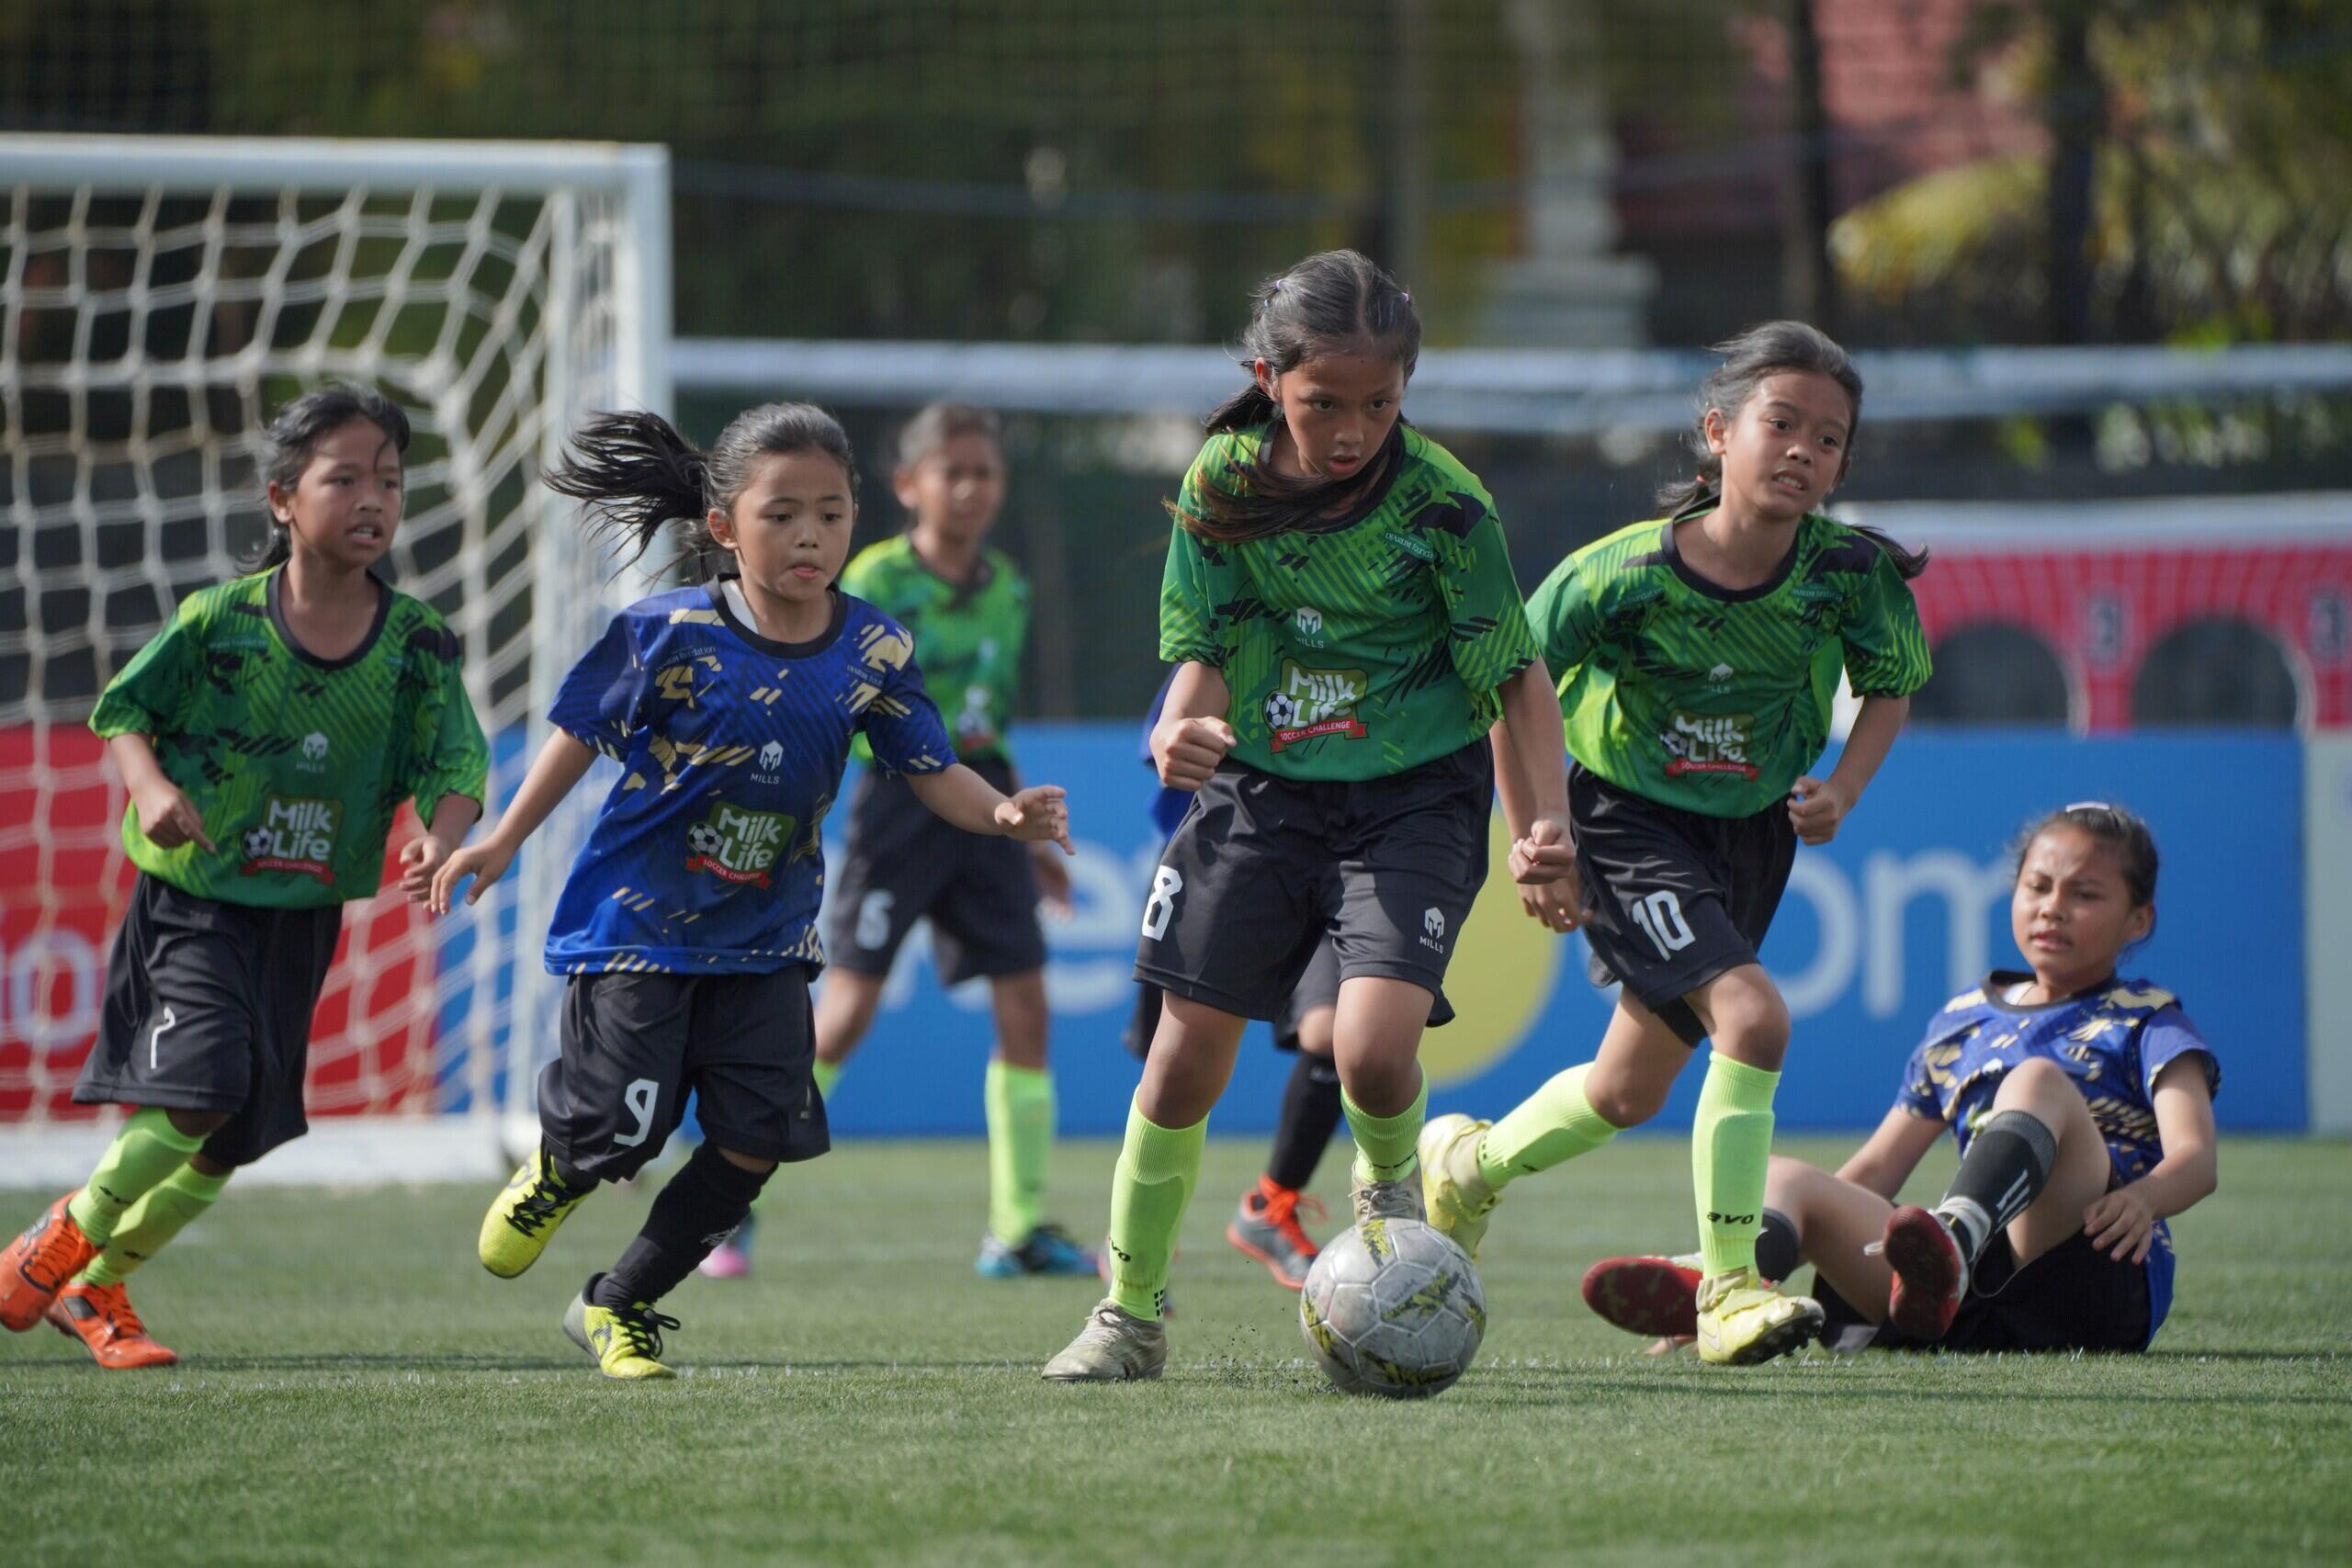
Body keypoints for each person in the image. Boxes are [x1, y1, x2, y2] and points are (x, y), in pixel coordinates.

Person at [433, 402, 1072, 1381]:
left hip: (767, 938)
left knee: (753, 1143)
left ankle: (617, 1304)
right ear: (724, 527)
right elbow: (578, 732)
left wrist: (1001, 814)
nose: (810, 535)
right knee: (624, 1133)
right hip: (638, 928)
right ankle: (564, 1165)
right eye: (782, 515)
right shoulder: (667, 630)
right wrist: (504, 837)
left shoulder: (873, 648)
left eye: (830, 513)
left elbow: (931, 765)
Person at [1043, 249, 1572, 1382]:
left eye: (1379, 403)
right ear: (1267, 378)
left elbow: (1516, 677)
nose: (1351, 430)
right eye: (1323, 402)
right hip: (1263, 792)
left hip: (1414, 795)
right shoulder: (1223, 483)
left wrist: (1548, 825)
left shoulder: (1444, 503)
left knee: (1371, 1055)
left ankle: (1392, 1213)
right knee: (1180, 1065)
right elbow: (1202, 653)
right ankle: (1127, 1316)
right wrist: (1177, 728)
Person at [1419, 321, 1933, 1366]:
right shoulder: (1618, 574)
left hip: (1751, 837)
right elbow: (1510, 685)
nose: (1802, 450)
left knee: (1627, 1089)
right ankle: (1730, 1290)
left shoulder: (1847, 574)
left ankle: (1471, 1166)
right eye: (1780, 423)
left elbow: (1891, 686)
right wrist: (1540, 834)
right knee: (1754, 1016)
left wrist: (1842, 787)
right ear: (1718, 432)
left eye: (1828, 438)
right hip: (1626, 822)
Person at [0, 384, 488, 1368]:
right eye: (343, 479)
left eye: (388, 481)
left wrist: (443, 836)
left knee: (231, 1137)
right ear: (281, 499)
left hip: (303, 915)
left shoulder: (417, 645)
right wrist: (147, 787)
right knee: (203, 1088)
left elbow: (457, 764)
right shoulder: (219, 621)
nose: (372, 499)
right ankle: (58, 1238)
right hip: (198, 900)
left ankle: (96, 1286)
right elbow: (123, 710)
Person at [1583, 803, 2219, 1355]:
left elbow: (2196, 1158)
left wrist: (2145, 1199)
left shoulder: (2147, 1018)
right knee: (1783, 1176)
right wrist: (1812, 1223)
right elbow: (1875, 1170)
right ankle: (1728, 1290)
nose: (2053, 908)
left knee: (2037, 1081)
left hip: (2093, 1274)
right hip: (1960, 1298)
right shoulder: (1962, 1021)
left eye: (2085, 894)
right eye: (2038, 886)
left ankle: (1954, 1242)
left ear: (2138, 920)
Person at [702, 402, 1089, 1281]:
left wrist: (1027, 836)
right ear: (909, 485)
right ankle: (726, 1203)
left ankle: (1017, 1230)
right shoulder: (871, 576)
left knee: (1026, 1004)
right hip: (900, 803)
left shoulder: (1010, 587)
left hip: (986, 802)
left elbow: (990, 718)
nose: (971, 488)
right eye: (953, 471)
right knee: (846, 1011)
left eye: (985, 472)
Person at [1122, 671, 1345, 1292]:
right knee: (1172, 1067)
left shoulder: (1371, 643)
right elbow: (1166, 744)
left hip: (1338, 855)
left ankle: (1273, 1203)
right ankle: (1138, 1255)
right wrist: (1182, 737)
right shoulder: (1235, 635)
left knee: (1336, 1036)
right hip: (1222, 853)